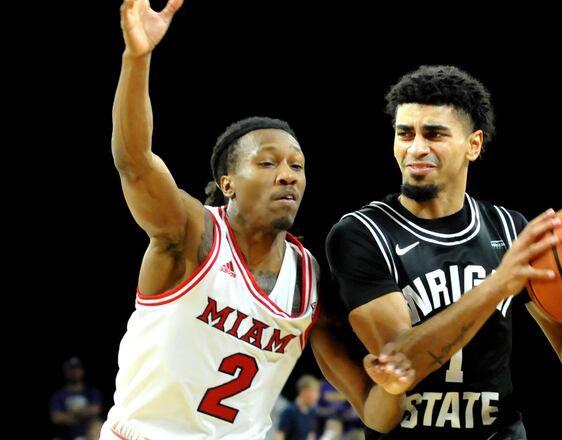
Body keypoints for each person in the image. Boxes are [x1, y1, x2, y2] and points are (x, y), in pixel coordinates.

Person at [105, 1, 411, 438]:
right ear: (227, 183)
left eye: (297, 165)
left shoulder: (308, 280)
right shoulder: (192, 235)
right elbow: (134, 162)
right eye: (268, 163)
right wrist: (137, 58)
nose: (288, 174)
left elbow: (375, 413)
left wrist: (393, 381)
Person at [321, 65, 562, 439]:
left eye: (434, 134)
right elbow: (401, 360)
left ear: (473, 145)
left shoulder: (509, 229)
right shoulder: (362, 235)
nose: (415, 148)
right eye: (404, 133)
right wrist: (497, 285)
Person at [50, 357, 102, 440]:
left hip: (86, 434)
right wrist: (81, 415)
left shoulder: (91, 392)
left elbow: (96, 409)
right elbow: (56, 417)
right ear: (66, 372)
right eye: (71, 369)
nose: (74, 372)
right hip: (65, 435)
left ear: (82, 371)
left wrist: (70, 416)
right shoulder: (59, 395)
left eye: (77, 369)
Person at [276, 375, 321, 440]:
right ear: (303, 392)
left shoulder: (312, 412)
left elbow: (310, 435)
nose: (317, 397)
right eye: (314, 392)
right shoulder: (289, 411)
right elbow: (280, 435)